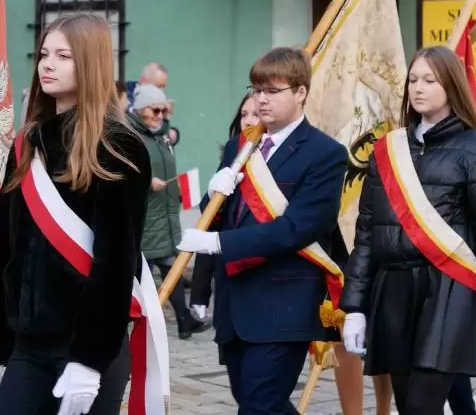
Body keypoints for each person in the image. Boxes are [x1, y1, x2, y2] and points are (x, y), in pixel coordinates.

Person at [0, 12, 166, 415]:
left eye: (63, 56)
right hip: (27, 347)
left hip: (86, 346)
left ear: (90, 62)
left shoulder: (118, 147)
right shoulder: (28, 144)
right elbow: (3, 252)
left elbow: (116, 263)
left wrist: (88, 360)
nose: (47, 64)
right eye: (45, 54)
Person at [340, 46, 476, 414]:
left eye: (429, 80)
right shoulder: (387, 150)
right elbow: (366, 235)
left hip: (449, 289)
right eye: (413, 80)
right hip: (393, 288)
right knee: (409, 406)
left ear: (451, 86)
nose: (418, 88)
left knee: (422, 406)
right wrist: (354, 307)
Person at [177, 47, 348, 413]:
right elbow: (219, 214)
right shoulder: (241, 146)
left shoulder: (325, 153)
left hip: (283, 305)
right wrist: (212, 195)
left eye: (272, 90)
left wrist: (218, 243)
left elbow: (297, 228)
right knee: (257, 403)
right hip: (235, 304)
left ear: (300, 92)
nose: (261, 99)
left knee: (259, 406)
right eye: (257, 90)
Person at [128, 83, 209, 339]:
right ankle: (137, 326)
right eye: (156, 110)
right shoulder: (130, 136)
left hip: (164, 215)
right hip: (144, 219)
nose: (161, 116)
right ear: (141, 109)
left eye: (164, 111)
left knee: (170, 269)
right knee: (141, 275)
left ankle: (184, 320)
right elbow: (121, 172)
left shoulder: (161, 136)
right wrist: (145, 181)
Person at [190, 93, 259, 321]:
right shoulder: (233, 151)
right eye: (244, 115)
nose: (248, 121)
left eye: (255, 115)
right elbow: (210, 217)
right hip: (228, 272)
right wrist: (200, 291)